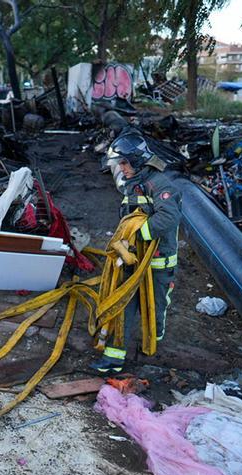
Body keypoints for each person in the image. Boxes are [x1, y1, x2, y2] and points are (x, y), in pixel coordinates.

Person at [89, 131, 182, 374]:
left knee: (155, 307)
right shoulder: (133, 186)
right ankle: (114, 359)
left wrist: (139, 235)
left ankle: (152, 344)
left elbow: (169, 217)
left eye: (124, 162)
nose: (121, 168)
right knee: (124, 304)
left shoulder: (162, 186)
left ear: (138, 161)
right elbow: (127, 217)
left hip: (158, 262)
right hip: (133, 259)